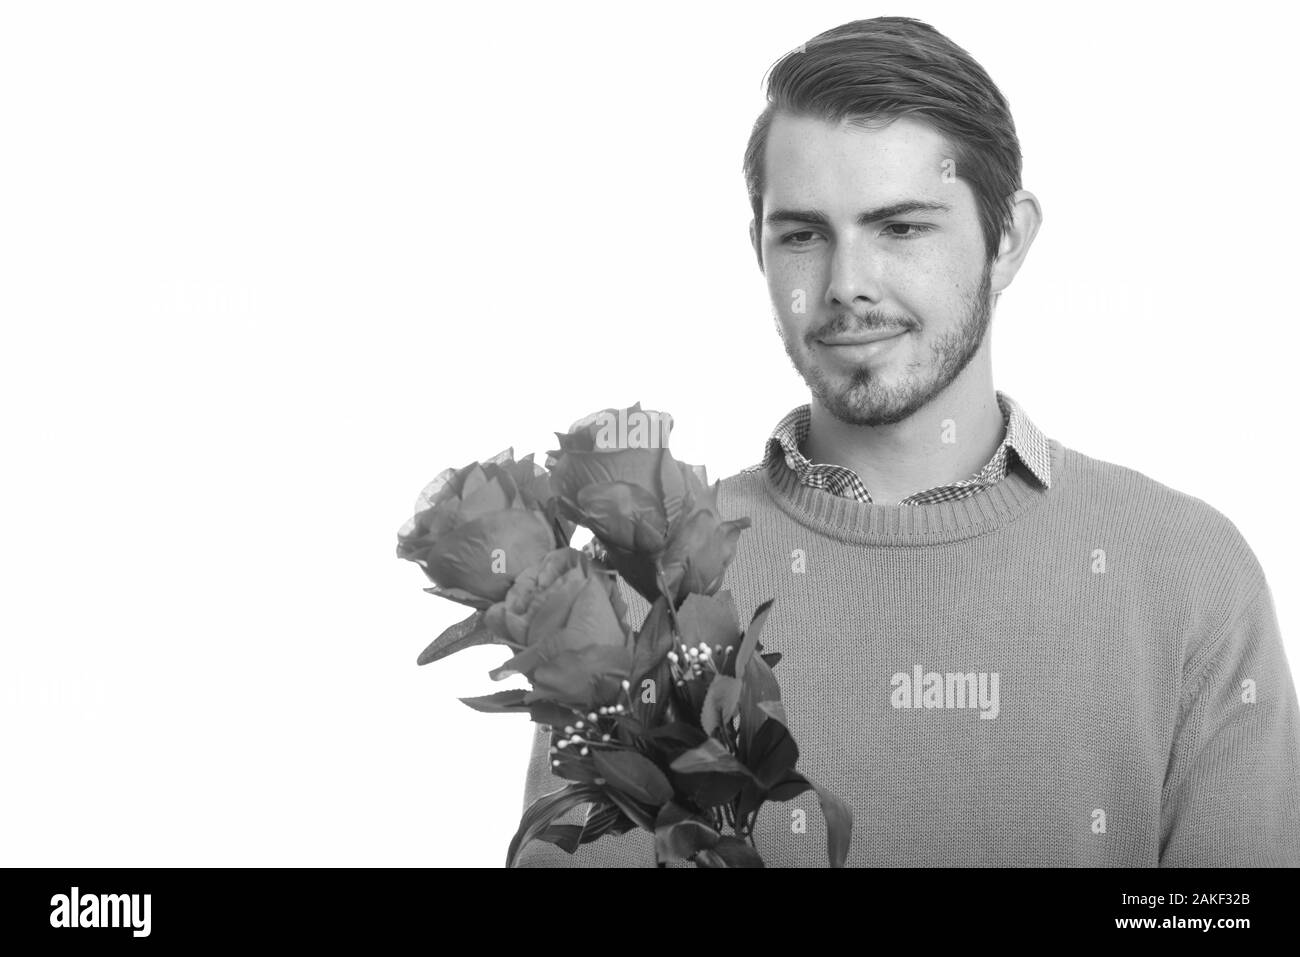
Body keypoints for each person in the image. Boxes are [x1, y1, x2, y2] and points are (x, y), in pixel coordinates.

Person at [514, 15, 1300, 866]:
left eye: (902, 227)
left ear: (1008, 239)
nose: (847, 286)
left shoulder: (1187, 569)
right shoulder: (639, 589)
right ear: (760, 251)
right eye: (804, 234)